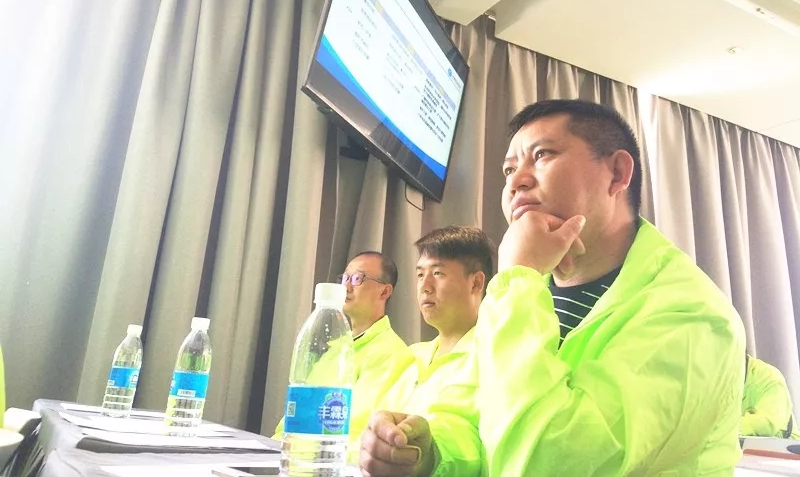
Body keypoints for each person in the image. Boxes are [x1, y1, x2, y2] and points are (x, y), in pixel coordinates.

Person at [360, 99, 745, 477]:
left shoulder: (692, 313)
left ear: (616, 174)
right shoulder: (524, 294)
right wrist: (432, 453)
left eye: (542, 155)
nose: (515, 182)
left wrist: (518, 276)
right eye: (509, 169)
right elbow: (483, 421)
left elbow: (548, 461)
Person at [361, 227, 495, 475]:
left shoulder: (494, 354)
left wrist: (428, 455)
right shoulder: (409, 356)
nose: (425, 286)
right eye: (420, 275)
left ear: (476, 283)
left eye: (438, 273)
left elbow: (476, 443)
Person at [275, 251, 413, 461]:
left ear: (385, 291)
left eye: (357, 279)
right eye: (345, 278)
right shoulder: (337, 348)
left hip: (328, 463)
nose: (346, 287)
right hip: (288, 457)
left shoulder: (392, 353)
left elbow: (356, 429)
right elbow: (298, 411)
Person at [742, 354, 799, 439]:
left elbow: (767, 424)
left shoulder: (769, 376)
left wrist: (725, 428)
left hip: (783, 445)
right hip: (736, 444)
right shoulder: (722, 379)